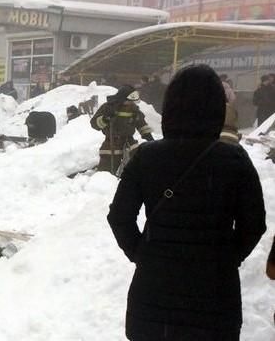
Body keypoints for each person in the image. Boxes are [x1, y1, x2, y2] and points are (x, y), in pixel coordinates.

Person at [107, 64, 266, 341]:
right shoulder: (234, 160)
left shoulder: (147, 157)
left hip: (154, 295)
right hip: (214, 296)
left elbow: (119, 217)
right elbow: (254, 225)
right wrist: (227, 258)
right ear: (217, 108)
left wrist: (142, 254)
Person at [90, 85, 154, 175]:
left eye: (132, 101)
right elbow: (94, 124)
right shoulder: (108, 107)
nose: (131, 103)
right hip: (111, 144)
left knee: (138, 167)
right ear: (122, 98)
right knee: (105, 174)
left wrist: (149, 138)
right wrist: (105, 119)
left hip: (129, 144)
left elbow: (142, 125)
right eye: (129, 101)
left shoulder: (134, 110)